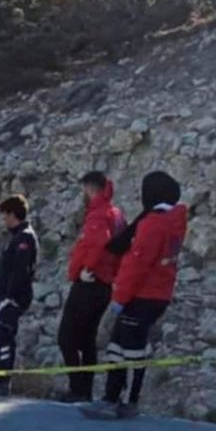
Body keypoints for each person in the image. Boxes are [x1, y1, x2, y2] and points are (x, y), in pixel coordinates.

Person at [81, 172, 186, 420]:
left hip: (142, 295)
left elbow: (136, 266)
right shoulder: (174, 222)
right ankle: (113, 396)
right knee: (120, 344)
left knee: (130, 349)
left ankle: (124, 401)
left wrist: (119, 299)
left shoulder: (153, 224)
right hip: (158, 293)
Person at [57, 172, 125, 403]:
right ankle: (84, 390)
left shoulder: (98, 215)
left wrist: (85, 269)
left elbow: (97, 242)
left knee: (66, 338)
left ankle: (77, 389)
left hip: (89, 283)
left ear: (89, 188)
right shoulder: (116, 215)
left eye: (83, 190)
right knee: (87, 338)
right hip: (105, 285)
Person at [0, 195, 39, 397]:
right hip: (5, 299)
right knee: (0, 339)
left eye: (4, 215)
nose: (3, 220)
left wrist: (9, 298)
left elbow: (21, 271)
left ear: (12, 214)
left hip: (12, 299)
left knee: (4, 339)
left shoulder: (24, 238)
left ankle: (1, 382)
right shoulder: (17, 237)